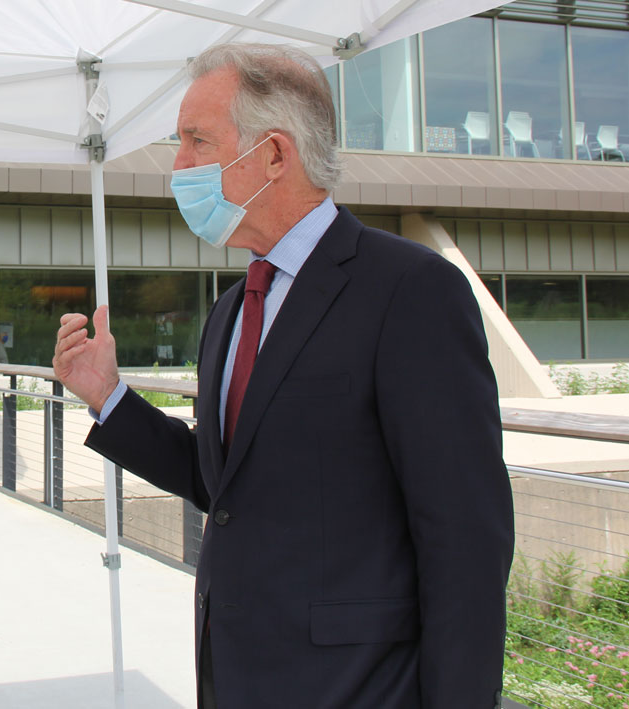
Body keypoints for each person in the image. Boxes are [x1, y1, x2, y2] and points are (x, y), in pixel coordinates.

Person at [54, 44, 513, 709]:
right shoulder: (230, 310)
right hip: (234, 676)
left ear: (273, 154)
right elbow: (224, 485)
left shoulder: (410, 291)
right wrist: (109, 397)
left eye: (195, 141)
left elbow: (465, 539)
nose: (176, 165)